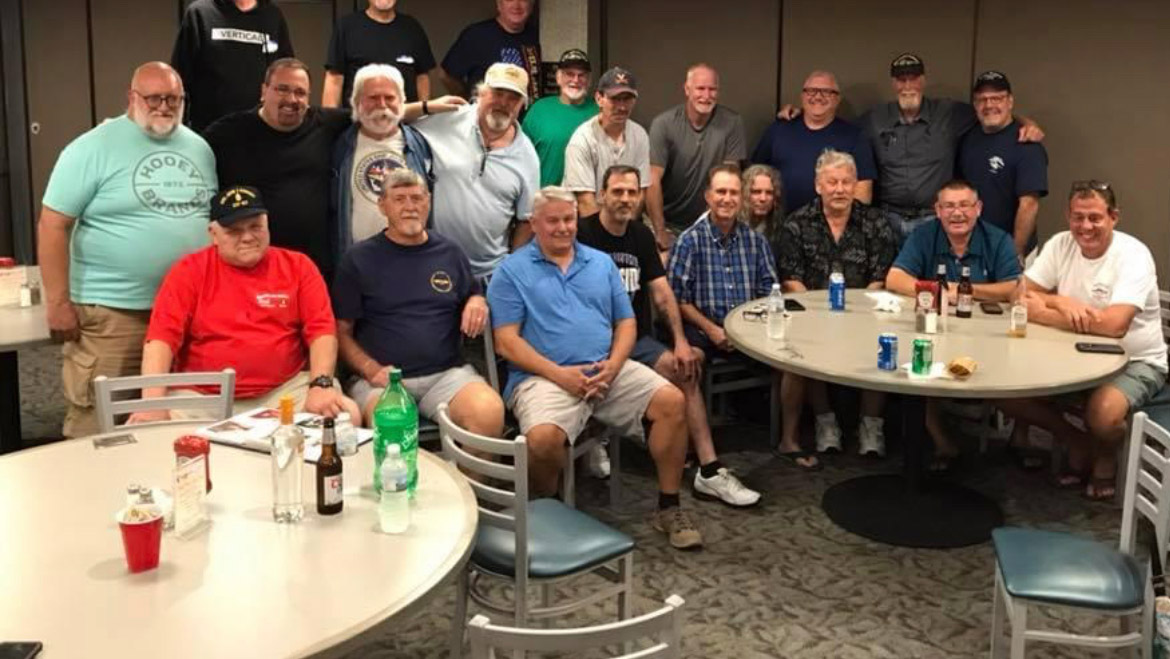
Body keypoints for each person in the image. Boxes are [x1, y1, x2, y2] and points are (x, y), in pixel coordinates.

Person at [489, 186, 702, 550]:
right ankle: (546, 506)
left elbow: (627, 324)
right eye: (553, 220)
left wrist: (614, 366)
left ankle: (668, 507)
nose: (562, 228)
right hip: (544, 378)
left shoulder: (600, 263)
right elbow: (506, 342)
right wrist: (562, 376)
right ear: (534, 224)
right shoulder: (511, 271)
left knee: (671, 401)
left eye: (569, 219)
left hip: (607, 369)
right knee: (541, 441)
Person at [37, 62, 217, 438]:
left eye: (173, 98)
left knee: (174, 418)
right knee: (100, 422)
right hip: (114, 312)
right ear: (131, 98)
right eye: (154, 98)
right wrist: (57, 303)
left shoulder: (199, 148)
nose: (164, 106)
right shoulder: (91, 147)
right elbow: (53, 225)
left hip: (186, 314)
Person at [578, 165, 761, 507]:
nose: (625, 199)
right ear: (602, 195)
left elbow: (662, 293)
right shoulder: (581, 233)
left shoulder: (641, 236)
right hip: (590, 341)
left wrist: (679, 341)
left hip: (635, 341)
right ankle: (594, 441)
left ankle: (709, 470)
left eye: (632, 192)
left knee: (685, 370)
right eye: (617, 191)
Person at [127, 186, 360, 424]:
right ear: (213, 234)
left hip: (283, 391)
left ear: (267, 224)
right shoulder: (188, 271)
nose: (247, 237)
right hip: (202, 396)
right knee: (146, 429)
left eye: (255, 226)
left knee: (346, 415)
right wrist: (152, 404)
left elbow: (322, 331)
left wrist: (321, 385)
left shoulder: (299, 266)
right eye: (234, 231)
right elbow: (161, 340)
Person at [997, 181, 1166, 500]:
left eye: (1094, 218)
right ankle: (1076, 440)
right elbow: (1019, 294)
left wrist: (1044, 310)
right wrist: (1062, 303)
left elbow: (1115, 327)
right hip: (1071, 354)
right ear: (1068, 216)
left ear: (1113, 217)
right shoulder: (1061, 244)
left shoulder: (1133, 255)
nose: (1085, 227)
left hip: (1135, 360)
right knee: (1004, 390)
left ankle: (1104, 457)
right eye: (1078, 217)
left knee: (1103, 414)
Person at [333, 169, 504, 437]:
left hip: (447, 375)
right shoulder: (358, 259)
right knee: (393, 428)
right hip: (383, 381)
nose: (410, 207)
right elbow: (340, 332)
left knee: (489, 414)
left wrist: (477, 299)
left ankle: (464, 480)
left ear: (429, 201)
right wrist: (370, 369)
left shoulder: (450, 252)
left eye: (417, 198)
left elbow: (473, 292)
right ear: (382, 205)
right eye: (399, 199)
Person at [885, 180, 1021, 469]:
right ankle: (941, 441)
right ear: (937, 210)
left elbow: (1013, 287)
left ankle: (1015, 441)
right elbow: (895, 278)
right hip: (937, 329)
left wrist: (961, 290)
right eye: (948, 206)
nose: (956, 213)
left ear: (978, 208)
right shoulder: (924, 236)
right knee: (918, 370)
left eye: (964, 205)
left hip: (988, 336)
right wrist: (934, 291)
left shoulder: (998, 239)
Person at [777, 150, 897, 461]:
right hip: (813, 316)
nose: (840, 189)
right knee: (809, 348)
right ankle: (825, 421)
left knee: (883, 345)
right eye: (832, 182)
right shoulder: (797, 223)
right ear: (818, 185)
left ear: (856, 184)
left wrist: (858, 318)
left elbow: (880, 277)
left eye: (846, 182)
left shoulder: (876, 222)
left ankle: (872, 425)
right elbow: (792, 278)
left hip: (866, 315)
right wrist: (821, 318)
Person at [859, 53, 1043, 241]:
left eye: (913, 79)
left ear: (923, 81)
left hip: (934, 219)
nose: (907, 86)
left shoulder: (948, 113)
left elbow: (990, 112)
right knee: (890, 271)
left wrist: (1027, 123)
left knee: (934, 271)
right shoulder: (875, 118)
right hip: (889, 219)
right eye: (901, 80)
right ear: (893, 83)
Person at [203, 58, 351, 280]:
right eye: (282, 89)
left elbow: (379, 113)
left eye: (300, 92)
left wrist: (424, 106)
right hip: (248, 268)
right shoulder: (226, 133)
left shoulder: (325, 125)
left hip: (313, 269)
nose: (291, 99)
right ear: (264, 91)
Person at [413, 62, 538, 278]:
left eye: (513, 98)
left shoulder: (527, 156)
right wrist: (426, 106)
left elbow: (527, 220)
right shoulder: (447, 119)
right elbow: (385, 119)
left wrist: (512, 267)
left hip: (490, 273)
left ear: (522, 105)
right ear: (481, 93)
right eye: (498, 93)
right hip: (435, 265)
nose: (504, 104)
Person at [667, 164, 777, 368]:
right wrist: (711, 330)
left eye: (734, 193)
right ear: (708, 196)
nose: (727, 199)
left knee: (790, 360)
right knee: (689, 365)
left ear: (741, 198)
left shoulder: (757, 242)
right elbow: (678, 300)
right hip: (703, 333)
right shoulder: (689, 242)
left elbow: (770, 294)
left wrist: (748, 330)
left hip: (751, 332)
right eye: (721, 192)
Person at [330, 63, 433, 263]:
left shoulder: (421, 146)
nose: (382, 104)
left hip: (411, 262)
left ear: (402, 102)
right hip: (355, 265)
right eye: (373, 98)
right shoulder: (338, 146)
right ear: (356, 102)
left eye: (390, 97)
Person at [646, 64, 746, 250]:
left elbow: (729, 178)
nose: (706, 96)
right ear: (687, 89)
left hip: (710, 221)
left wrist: (709, 227)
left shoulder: (732, 122)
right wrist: (659, 230)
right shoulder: (664, 124)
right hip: (667, 222)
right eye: (700, 88)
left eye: (712, 89)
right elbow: (652, 179)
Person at [752, 70, 875, 214]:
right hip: (779, 224)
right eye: (811, 91)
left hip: (830, 229)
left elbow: (863, 191)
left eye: (826, 92)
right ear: (802, 96)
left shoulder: (854, 136)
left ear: (837, 99)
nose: (817, 96)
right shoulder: (778, 129)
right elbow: (754, 175)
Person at [956, 71, 1048, 259]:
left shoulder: (1027, 144)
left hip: (1010, 247)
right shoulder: (966, 136)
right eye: (982, 99)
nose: (989, 105)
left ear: (1010, 101)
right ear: (975, 104)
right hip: (972, 246)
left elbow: (1029, 205)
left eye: (997, 98)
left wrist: (1015, 252)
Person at [171, 0, 294, 132]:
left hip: (262, 135)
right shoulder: (200, 13)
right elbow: (178, 80)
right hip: (210, 133)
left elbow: (288, 76)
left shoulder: (272, 16)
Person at [563, 67, 651, 217]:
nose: (622, 107)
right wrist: (608, 238)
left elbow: (641, 192)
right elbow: (585, 202)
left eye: (627, 99)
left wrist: (625, 231)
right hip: (586, 224)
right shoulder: (582, 139)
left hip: (624, 221)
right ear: (599, 99)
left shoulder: (639, 135)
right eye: (615, 99)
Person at [322, 0, 435, 107]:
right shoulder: (346, 27)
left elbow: (422, 76)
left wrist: (422, 117)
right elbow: (334, 79)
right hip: (359, 121)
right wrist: (329, 123)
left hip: (405, 120)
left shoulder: (412, 28)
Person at [520, 48, 598, 187]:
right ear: (558, 77)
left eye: (582, 75)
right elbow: (520, 157)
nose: (575, 80)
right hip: (544, 199)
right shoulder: (539, 110)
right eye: (569, 74)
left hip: (587, 201)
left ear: (589, 80)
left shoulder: (599, 112)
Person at [440, 0, 540, 100]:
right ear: (499, 4)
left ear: (532, 5)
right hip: (486, 113)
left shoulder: (540, 36)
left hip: (530, 113)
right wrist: (465, 97)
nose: (516, 5)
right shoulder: (476, 35)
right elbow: (446, 74)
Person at [740, 164, 784, 257]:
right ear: (744, 194)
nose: (763, 198)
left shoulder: (781, 233)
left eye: (769, 193)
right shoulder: (730, 227)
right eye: (756, 192)